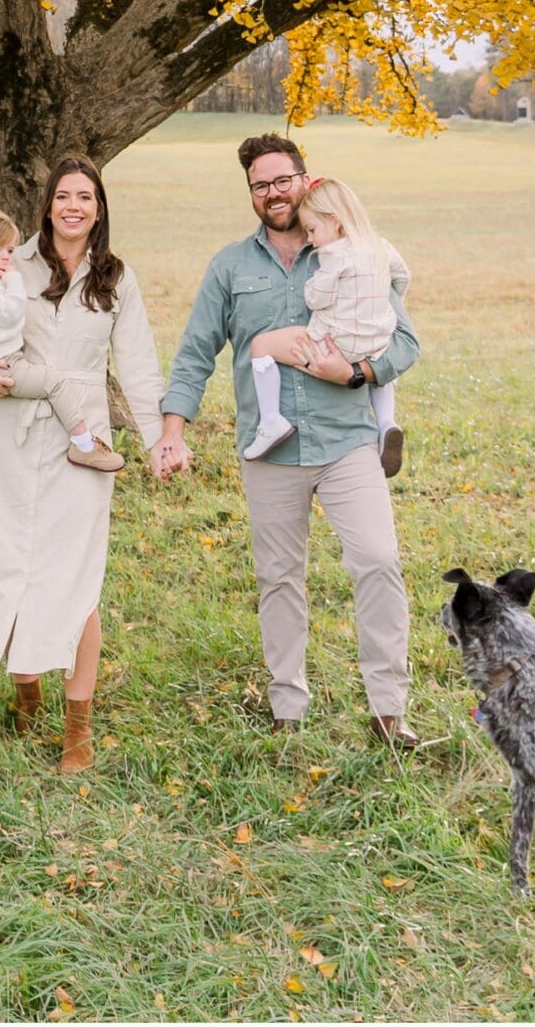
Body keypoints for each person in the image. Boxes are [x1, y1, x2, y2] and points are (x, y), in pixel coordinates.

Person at [152, 132, 421, 747]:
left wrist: (355, 372)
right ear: (251, 192)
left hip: (347, 439)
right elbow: (196, 351)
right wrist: (174, 430)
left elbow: (403, 342)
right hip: (269, 450)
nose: (273, 193)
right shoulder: (230, 266)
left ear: (306, 180)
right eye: (260, 185)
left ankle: (388, 710)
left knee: (378, 562)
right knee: (279, 577)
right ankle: (288, 706)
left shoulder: (353, 252)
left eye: (282, 180)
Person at [0, 156, 167, 773]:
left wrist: (159, 438)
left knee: (76, 577)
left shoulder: (115, 278)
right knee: (8, 562)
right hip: (7, 432)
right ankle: (25, 693)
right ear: (49, 203)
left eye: (86, 196)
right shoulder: (11, 259)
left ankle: (77, 727)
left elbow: (137, 363)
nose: (74, 206)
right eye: (64, 195)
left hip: (82, 441)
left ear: (99, 207)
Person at [244, 175, 409, 476]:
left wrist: (314, 283)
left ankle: (270, 421)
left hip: (335, 345)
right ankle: (387, 421)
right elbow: (402, 275)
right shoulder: (379, 246)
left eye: (312, 230)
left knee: (261, 346)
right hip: (377, 337)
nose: (310, 239)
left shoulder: (333, 255)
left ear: (334, 222)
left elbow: (317, 298)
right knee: (381, 370)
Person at [0, 207, 124, 473]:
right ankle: (83, 444)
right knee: (55, 382)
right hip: (7, 365)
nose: (6, 258)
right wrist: (15, 280)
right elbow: (9, 314)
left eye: (10, 251)